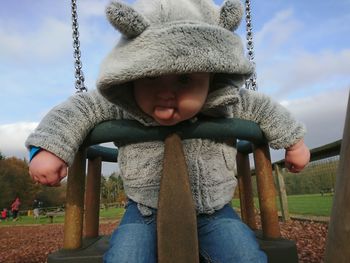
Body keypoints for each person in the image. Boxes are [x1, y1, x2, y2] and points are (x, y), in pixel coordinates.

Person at [25, 0, 310, 262]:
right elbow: (78, 109)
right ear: (131, 77)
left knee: (244, 257)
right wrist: (49, 148)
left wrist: (293, 142)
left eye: (184, 78)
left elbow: (266, 109)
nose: (165, 94)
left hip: (214, 212)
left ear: (211, 77)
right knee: (126, 258)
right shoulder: (122, 102)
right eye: (150, 78)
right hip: (144, 212)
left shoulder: (227, 100)